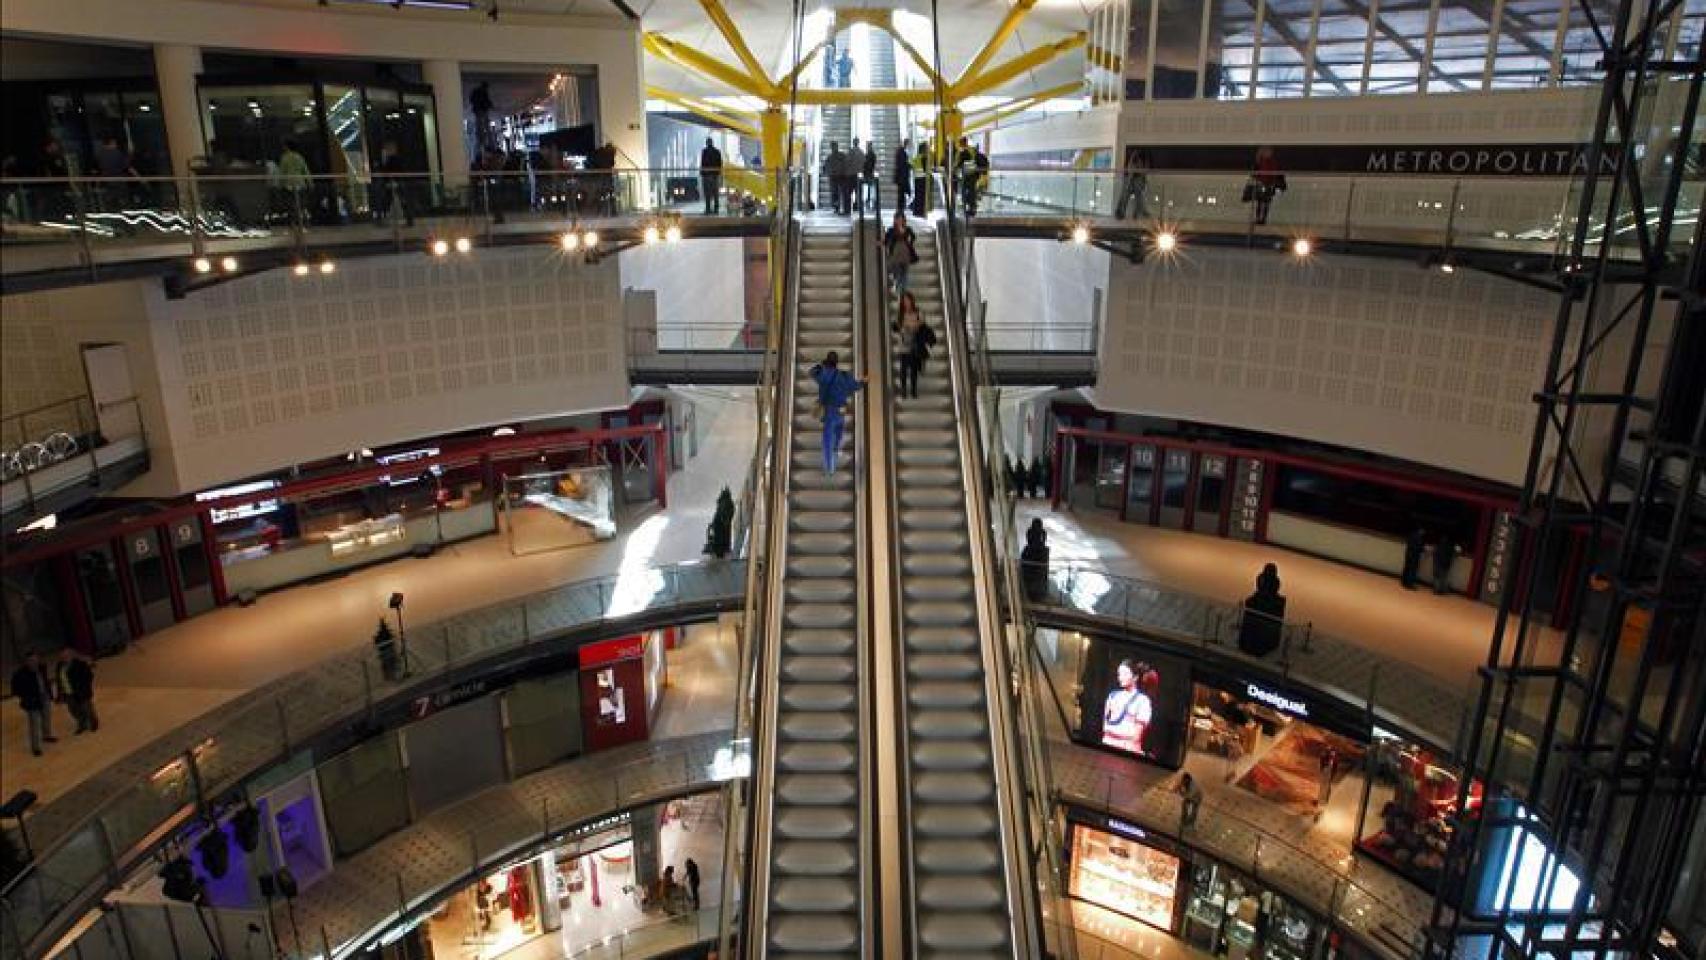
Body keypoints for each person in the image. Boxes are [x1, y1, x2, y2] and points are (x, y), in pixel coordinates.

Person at [809, 352, 866, 475]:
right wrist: (864, 382)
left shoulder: (823, 374)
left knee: (827, 439)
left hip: (829, 411)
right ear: (837, 362)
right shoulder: (845, 376)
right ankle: (836, 449)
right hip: (841, 411)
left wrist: (819, 366)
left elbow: (812, 372)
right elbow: (856, 386)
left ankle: (830, 467)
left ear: (827, 362)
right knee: (838, 434)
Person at [1101, 658, 1153, 756]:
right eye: (1119, 674)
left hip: (1128, 748)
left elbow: (1137, 735)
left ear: (1135, 677)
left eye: (1125, 674)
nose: (1121, 677)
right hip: (1108, 743)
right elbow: (1105, 724)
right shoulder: (1112, 696)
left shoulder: (1143, 701)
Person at [10, 653, 57, 756]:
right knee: (34, 725)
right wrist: (25, 696)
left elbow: (45, 681)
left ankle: (47, 736)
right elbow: (15, 689)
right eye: (31, 661)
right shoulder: (20, 674)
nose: (34, 662)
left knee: (46, 718)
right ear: (26, 662)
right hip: (32, 702)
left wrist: (50, 695)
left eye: (35, 660)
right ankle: (35, 747)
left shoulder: (42, 668)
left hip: (44, 698)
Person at [58, 649, 99, 734]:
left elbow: (89, 676)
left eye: (66, 656)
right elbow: (59, 679)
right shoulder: (60, 666)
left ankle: (93, 723)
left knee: (87, 708)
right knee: (74, 710)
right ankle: (82, 724)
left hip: (81, 691)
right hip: (68, 693)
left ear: (71, 656)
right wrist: (60, 693)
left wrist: (84, 686)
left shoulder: (79, 664)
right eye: (62, 657)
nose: (64, 658)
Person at [1246, 145, 1284, 225]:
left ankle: (1262, 219)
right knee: (1261, 202)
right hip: (1262, 184)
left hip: (1268, 184)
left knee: (1264, 202)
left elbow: (1275, 173)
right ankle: (1259, 219)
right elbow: (1255, 173)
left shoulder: (1270, 162)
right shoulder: (1261, 161)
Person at [883, 211, 917, 293]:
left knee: (905, 272)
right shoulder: (891, 230)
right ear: (894, 220)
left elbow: (913, 236)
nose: (898, 221)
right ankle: (898, 286)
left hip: (905, 252)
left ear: (903, 220)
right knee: (896, 269)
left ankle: (903, 289)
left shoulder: (907, 229)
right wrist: (881, 243)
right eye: (897, 219)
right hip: (896, 252)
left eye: (900, 219)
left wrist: (910, 243)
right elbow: (887, 240)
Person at [278, 141, 311, 223]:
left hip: (289, 185)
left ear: (287, 147)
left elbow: (282, 172)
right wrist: (310, 183)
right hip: (300, 183)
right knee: (301, 205)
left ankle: (294, 223)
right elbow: (305, 170)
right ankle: (303, 223)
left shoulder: (285, 158)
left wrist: (280, 185)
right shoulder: (299, 157)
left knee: (291, 205)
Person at [1115, 149, 1150, 219]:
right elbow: (1130, 169)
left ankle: (1138, 213)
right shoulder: (1132, 157)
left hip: (1137, 178)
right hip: (1130, 177)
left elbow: (1144, 171)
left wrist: (1143, 178)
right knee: (1125, 195)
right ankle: (1121, 212)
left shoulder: (1144, 158)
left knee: (1138, 196)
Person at [699, 137, 724, 214]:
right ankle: (716, 209)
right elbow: (720, 164)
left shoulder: (704, 152)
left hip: (707, 175)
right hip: (714, 175)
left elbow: (702, 163)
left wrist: (702, 173)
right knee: (715, 193)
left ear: (707, 143)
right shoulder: (717, 152)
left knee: (708, 193)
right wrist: (718, 173)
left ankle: (708, 209)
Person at [470, 82, 495, 153]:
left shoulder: (476, 91)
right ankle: (483, 139)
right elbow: (487, 100)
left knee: (479, 124)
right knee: (485, 125)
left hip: (478, 110)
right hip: (483, 110)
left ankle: (481, 139)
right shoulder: (484, 92)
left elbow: (471, 99)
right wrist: (491, 105)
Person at [823, 141, 847, 215]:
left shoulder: (840, 155)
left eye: (834, 146)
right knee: (835, 193)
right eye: (832, 147)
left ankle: (840, 207)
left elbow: (846, 164)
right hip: (835, 177)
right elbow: (825, 167)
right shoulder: (831, 157)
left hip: (840, 177)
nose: (833, 148)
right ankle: (837, 207)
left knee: (839, 193)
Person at [846, 139, 867, 213]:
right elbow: (864, 163)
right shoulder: (861, 152)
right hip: (859, 175)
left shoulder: (850, 152)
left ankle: (848, 208)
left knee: (849, 192)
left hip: (850, 175)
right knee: (858, 192)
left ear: (853, 143)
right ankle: (857, 205)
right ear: (858, 143)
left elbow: (847, 162)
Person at [910, 140, 930, 217]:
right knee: (922, 196)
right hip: (923, 179)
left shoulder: (916, 157)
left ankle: (916, 211)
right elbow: (926, 169)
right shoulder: (924, 157)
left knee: (918, 195)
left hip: (916, 178)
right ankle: (921, 212)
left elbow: (912, 166)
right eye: (926, 148)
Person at [893, 139, 912, 214]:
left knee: (901, 193)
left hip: (901, 176)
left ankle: (901, 207)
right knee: (901, 193)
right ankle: (900, 207)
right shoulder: (902, 152)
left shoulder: (900, 152)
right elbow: (903, 164)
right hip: (902, 177)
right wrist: (909, 166)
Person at [860, 141, 878, 214]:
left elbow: (868, 164)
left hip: (869, 174)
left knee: (870, 189)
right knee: (870, 189)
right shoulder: (870, 154)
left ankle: (871, 203)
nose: (867, 147)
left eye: (868, 146)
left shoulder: (869, 155)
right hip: (869, 174)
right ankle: (870, 203)